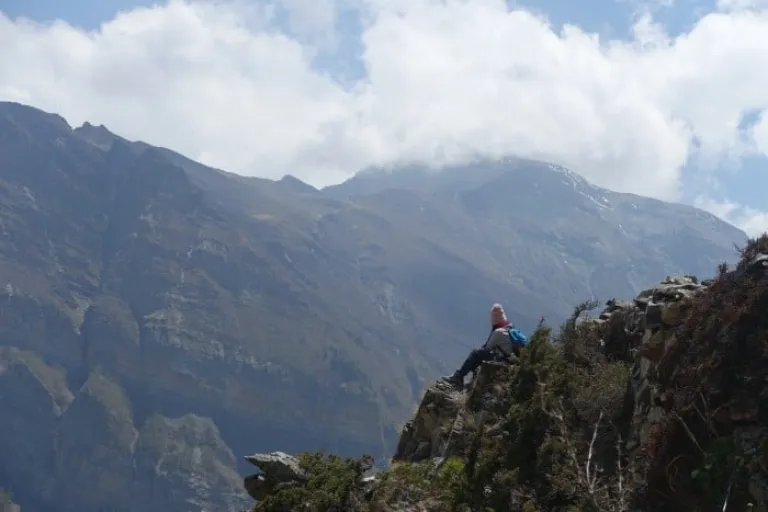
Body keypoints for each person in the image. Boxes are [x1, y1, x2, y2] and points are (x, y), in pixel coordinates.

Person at [442, 303, 527, 388]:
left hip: (502, 361)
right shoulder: (510, 329)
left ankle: (459, 377)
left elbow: (487, 348)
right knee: (480, 355)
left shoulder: (498, 332)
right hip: (511, 362)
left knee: (476, 354)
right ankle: (470, 380)